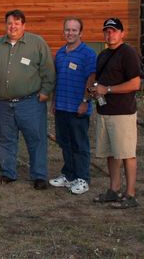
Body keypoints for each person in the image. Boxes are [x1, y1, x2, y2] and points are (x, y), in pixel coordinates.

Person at [0, 9, 55, 190]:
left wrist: (46, 91)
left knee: (36, 138)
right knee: (4, 139)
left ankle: (39, 175)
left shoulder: (37, 43)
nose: (12, 26)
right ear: (5, 25)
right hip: (2, 104)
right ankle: (8, 172)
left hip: (30, 102)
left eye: (17, 23)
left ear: (24, 25)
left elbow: (48, 69)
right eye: (9, 23)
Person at [89, 18, 141, 208]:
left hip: (122, 112)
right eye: (107, 31)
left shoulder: (128, 53)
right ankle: (114, 189)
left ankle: (131, 194)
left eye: (113, 31)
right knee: (111, 152)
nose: (109, 34)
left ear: (122, 33)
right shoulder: (102, 54)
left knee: (127, 153)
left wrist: (108, 90)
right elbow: (101, 81)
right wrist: (96, 90)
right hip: (104, 111)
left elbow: (136, 84)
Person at [49, 18, 96, 195]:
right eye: (67, 30)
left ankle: (83, 178)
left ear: (81, 33)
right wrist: (54, 102)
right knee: (65, 143)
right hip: (62, 107)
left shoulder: (88, 53)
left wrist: (85, 101)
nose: (70, 33)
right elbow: (57, 80)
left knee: (80, 144)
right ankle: (68, 175)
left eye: (74, 30)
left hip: (78, 108)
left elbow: (91, 79)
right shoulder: (60, 53)